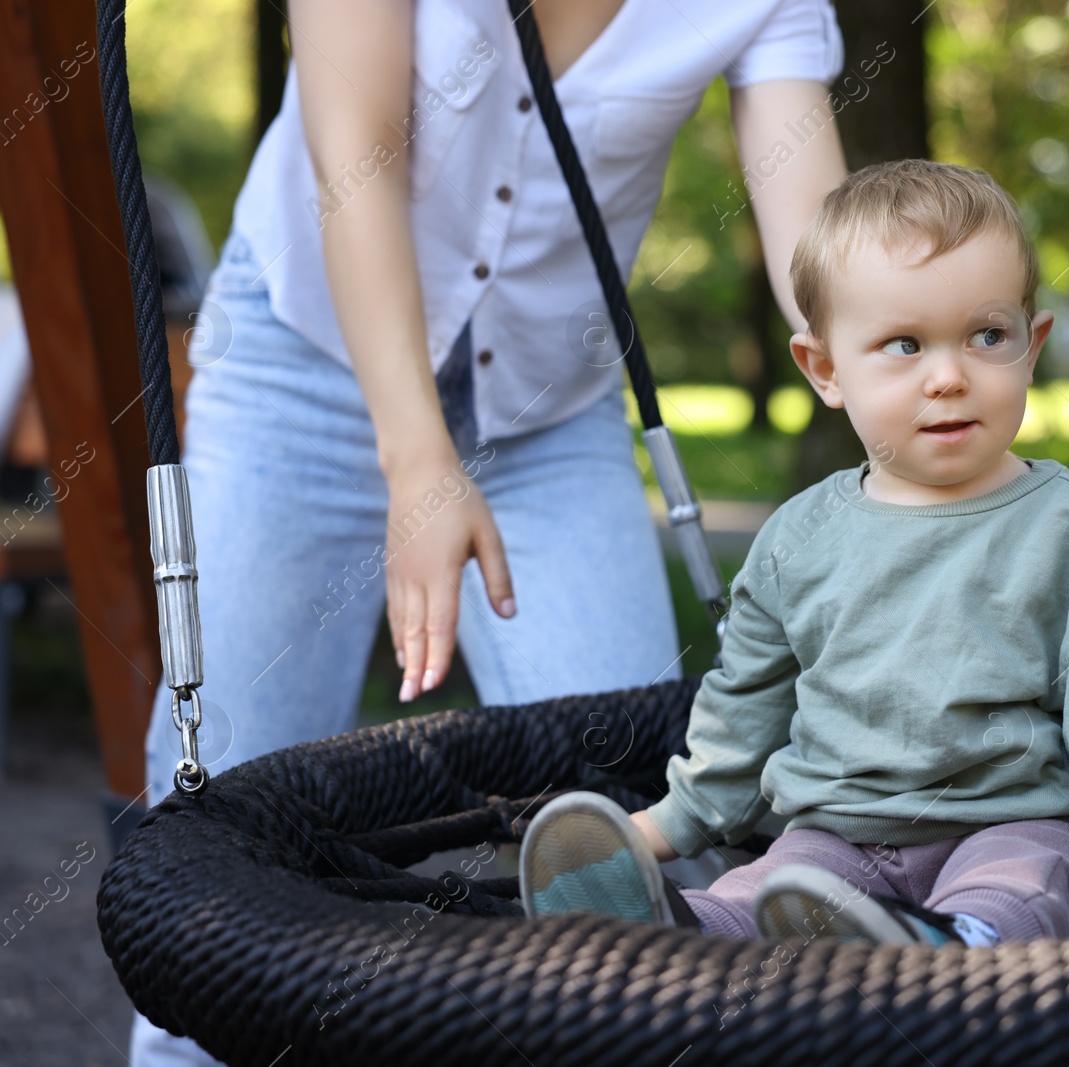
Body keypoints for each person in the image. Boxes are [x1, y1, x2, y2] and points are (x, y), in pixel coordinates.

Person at [132, 0, 848, 1063]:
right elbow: (354, 155)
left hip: (549, 410)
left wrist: (910, 392)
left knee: (636, 828)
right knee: (213, 828)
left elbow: (825, 255)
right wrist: (416, 458)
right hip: (305, 357)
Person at [518, 159, 1069, 947]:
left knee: (1032, 880)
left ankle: (955, 942)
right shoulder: (799, 538)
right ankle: (679, 931)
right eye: (904, 344)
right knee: (768, 885)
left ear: (1031, 347)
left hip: (1015, 819)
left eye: (986, 336)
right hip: (837, 836)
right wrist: (677, 819)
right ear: (825, 370)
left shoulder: (1066, 525)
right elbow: (746, 702)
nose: (947, 376)